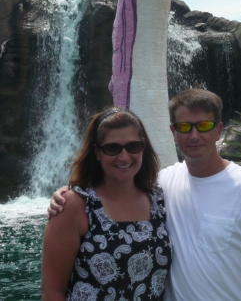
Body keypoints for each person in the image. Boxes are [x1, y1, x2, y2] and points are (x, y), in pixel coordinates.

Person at [49, 89, 241, 301]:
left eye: (204, 126)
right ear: (173, 132)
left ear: (219, 130)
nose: (194, 135)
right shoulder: (162, 184)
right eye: (185, 127)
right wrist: (67, 192)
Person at [42, 107, 172, 301]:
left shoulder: (158, 199)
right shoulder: (73, 205)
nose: (124, 157)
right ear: (97, 151)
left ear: (143, 146)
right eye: (112, 148)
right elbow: (51, 292)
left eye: (133, 146)